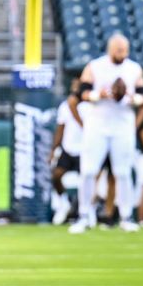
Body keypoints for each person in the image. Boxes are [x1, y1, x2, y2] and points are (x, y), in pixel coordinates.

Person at [67, 33, 143, 234]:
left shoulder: (134, 68)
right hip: (98, 123)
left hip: (122, 125)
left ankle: (126, 216)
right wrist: (98, 95)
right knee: (88, 171)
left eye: (125, 50)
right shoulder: (95, 66)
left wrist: (131, 98)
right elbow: (82, 93)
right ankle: (84, 215)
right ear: (111, 49)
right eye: (119, 50)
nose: (123, 54)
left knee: (123, 172)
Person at [49, 80, 84, 225]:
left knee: (87, 182)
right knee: (56, 175)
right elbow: (60, 129)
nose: (75, 88)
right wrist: (53, 149)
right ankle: (63, 203)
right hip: (68, 148)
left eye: (78, 86)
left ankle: (87, 211)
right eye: (73, 85)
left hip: (85, 149)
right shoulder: (64, 106)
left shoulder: (91, 107)